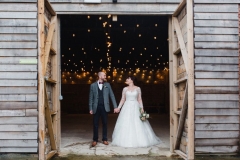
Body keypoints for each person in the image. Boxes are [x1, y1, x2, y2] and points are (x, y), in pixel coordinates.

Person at [112, 76, 161, 147]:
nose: (126, 80)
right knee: (126, 121)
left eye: (128, 79)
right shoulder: (125, 89)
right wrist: (119, 107)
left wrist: (141, 108)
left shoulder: (138, 88)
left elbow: (139, 99)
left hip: (135, 105)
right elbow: (123, 99)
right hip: (127, 106)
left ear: (132, 80)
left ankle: (141, 140)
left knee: (138, 121)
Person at [89, 71, 119, 147]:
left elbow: (112, 95)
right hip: (96, 107)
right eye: (104, 75)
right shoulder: (92, 85)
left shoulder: (107, 85)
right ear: (99, 76)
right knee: (95, 124)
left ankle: (104, 139)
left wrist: (115, 106)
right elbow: (91, 98)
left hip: (105, 107)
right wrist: (90, 108)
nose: (105, 76)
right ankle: (95, 140)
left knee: (105, 123)